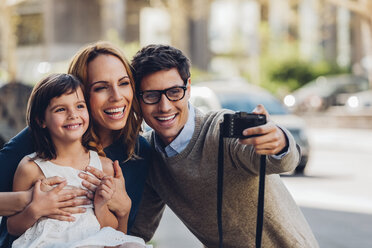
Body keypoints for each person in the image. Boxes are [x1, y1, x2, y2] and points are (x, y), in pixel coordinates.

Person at [126, 44, 319, 247]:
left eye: (174, 92)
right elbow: (138, 231)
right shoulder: (149, 155)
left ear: (188, 88)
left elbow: (283, 162)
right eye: (151, 95)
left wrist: (279, 141)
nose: (164, 106)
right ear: (138, 100)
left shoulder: (221, 129)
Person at [0, 41, 152, 247]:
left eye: (124, 83)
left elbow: (117, 232)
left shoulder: (136, 152)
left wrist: (123, 208)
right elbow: (14, 225)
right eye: (101, 88)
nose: (117, 97)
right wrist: (29, 201)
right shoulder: (39, 139)